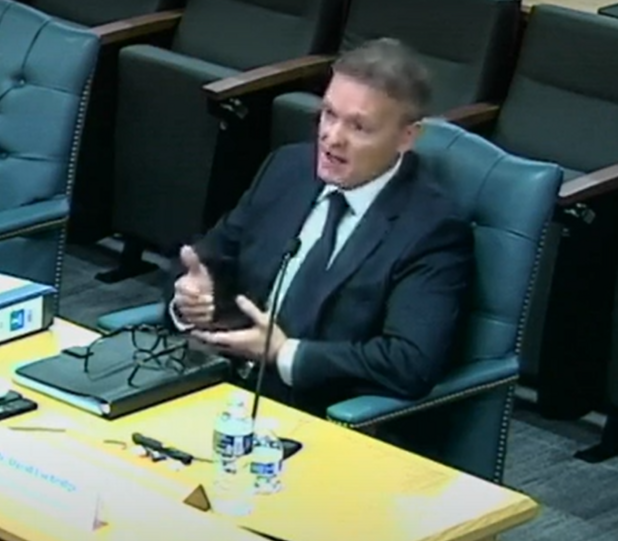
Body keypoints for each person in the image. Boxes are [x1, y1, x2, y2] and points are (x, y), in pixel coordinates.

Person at [169, 37, 473, 416]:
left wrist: (285, 354)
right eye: (328, 114)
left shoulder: (431, 229)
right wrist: (194, 296)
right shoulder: (288, 168)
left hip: (317, 419)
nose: (332, 138)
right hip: (215, 386)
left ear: (406, 137)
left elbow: (409, 362)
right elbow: (214, 257)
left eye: (359, 127)